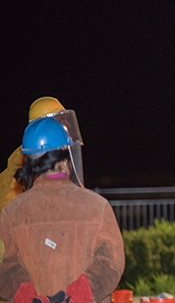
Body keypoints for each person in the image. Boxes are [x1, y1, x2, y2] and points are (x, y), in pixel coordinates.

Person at [0, 116, 124, 303]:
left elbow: (7, 268)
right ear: (66, 158)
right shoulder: (97, 206)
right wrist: (77, 295)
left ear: (28, 160)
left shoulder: (12, 212)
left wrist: (31, 297)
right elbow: (111, 264)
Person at [1, 97, 71, 212]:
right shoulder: (25, 155)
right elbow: (8, 197)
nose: (67, 124)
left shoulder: (59, 149)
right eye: (62, 120)